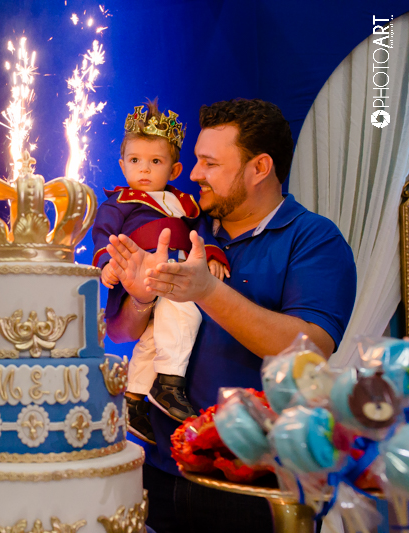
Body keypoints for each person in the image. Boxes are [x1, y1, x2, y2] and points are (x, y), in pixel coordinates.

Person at [104, 99, 357, 533]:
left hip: (254, 483)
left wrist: (207, 291)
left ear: (260, 168)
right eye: (197, 160)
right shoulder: (184, 227)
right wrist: (140, 299)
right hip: (158, 468)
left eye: (210, 163)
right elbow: (120, 332)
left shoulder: (313, 239)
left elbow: (309, 349)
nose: (194, 174)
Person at [91, 100, 229, 443]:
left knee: (156, 336)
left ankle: (134, 399)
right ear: (122, 164)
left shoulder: (186, 205)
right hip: (139, 276)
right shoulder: (119, 203)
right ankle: (169, 383)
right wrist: (108, 265)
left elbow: (203, 233)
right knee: (185, 313)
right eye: (135, 160)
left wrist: (211, 256)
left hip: (177, 270)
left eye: (156, 162)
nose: (144, 169)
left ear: (175, 169)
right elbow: (104, 236)